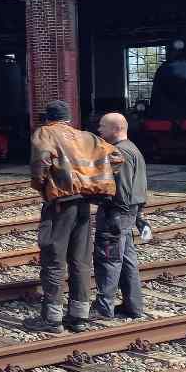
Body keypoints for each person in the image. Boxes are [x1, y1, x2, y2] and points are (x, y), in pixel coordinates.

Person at [26, 99, 121, 333]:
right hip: (83, 205)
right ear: (68, 118)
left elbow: (41, 162)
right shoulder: (86, 137)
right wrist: (92, 180)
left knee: (54, 259)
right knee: (80, 260)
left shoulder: (45, 133)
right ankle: (79, 317)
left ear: (48, 118)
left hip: (60, 205)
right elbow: (117, 157)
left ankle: (52, 319)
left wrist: (42, 185)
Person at [93, 112, 149, 319]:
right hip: (129, 213)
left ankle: (103, 309)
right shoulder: (133, 148)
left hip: (116, 214)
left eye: (102, 126)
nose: (99, 130)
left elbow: (122, 190)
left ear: (116, 129)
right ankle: (133, 306)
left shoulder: (119, 152)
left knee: (109, 259)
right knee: (126, 260)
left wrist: (104, 203)